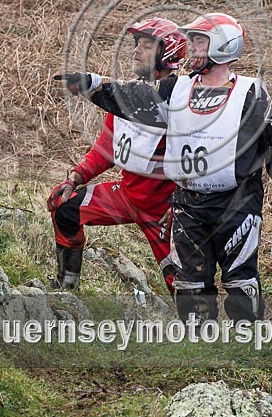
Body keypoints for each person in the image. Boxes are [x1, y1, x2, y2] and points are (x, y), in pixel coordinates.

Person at [67, 12, 272, 325]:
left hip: (237, 201)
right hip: (187, 203)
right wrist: (93, 85)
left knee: (240, 280)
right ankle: (202, 354)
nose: (190, 48)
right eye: (192, 41)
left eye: (198, 42)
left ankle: (248, 354)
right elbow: (133, 99)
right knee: (191, 288)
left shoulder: (250, 93)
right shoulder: (177, 89)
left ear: (222, 47)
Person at [47, 18, 187, 293]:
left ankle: (202, 330)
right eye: (137, 45)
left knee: (183, 288)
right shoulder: (127, 95)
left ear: (166, 54)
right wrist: (74, 178)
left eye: (146, 46)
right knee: (64, 206)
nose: (136, 51)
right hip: (125, 195)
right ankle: (66, 288)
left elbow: (197, 163)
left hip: (163, 211)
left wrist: (182, 206)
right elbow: (106, 148)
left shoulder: (182, 101)